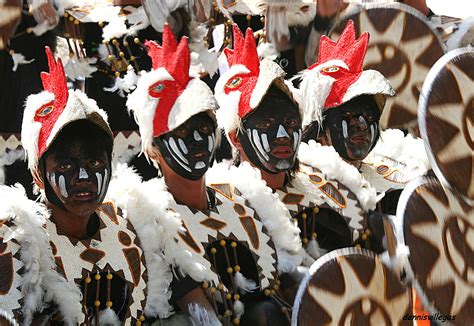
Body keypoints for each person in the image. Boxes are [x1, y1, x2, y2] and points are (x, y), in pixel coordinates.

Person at [127, 24, 295, 325]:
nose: (196, 141)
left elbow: (288, 285)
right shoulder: (150, 218)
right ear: (154, 149)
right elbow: (201, 315)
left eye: (203, 129)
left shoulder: (243, 198)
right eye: (180, 132)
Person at [0, 47, 176, 324]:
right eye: (66, 166)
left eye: (94, 163)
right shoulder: (15, 239)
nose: (82, 176)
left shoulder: (130, 225)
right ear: (38, 175)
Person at [211, 24, 379, 277]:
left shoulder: (324, 187)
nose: (282, 136)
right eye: (266, 125)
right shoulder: (223, 205)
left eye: (290, 124)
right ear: (235, 137)